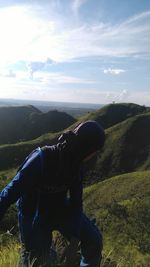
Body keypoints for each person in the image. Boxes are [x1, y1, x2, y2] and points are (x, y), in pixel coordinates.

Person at [0, 120, 105, 267]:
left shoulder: (77, 165)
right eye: (95, 151)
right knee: (38, 259)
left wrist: (74, 237)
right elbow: (8, 194)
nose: (95, 156)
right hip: (33, 214)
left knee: (94, 240)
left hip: (58, 208)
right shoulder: (41, 159)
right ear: (87, 149)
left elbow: (76, 203)